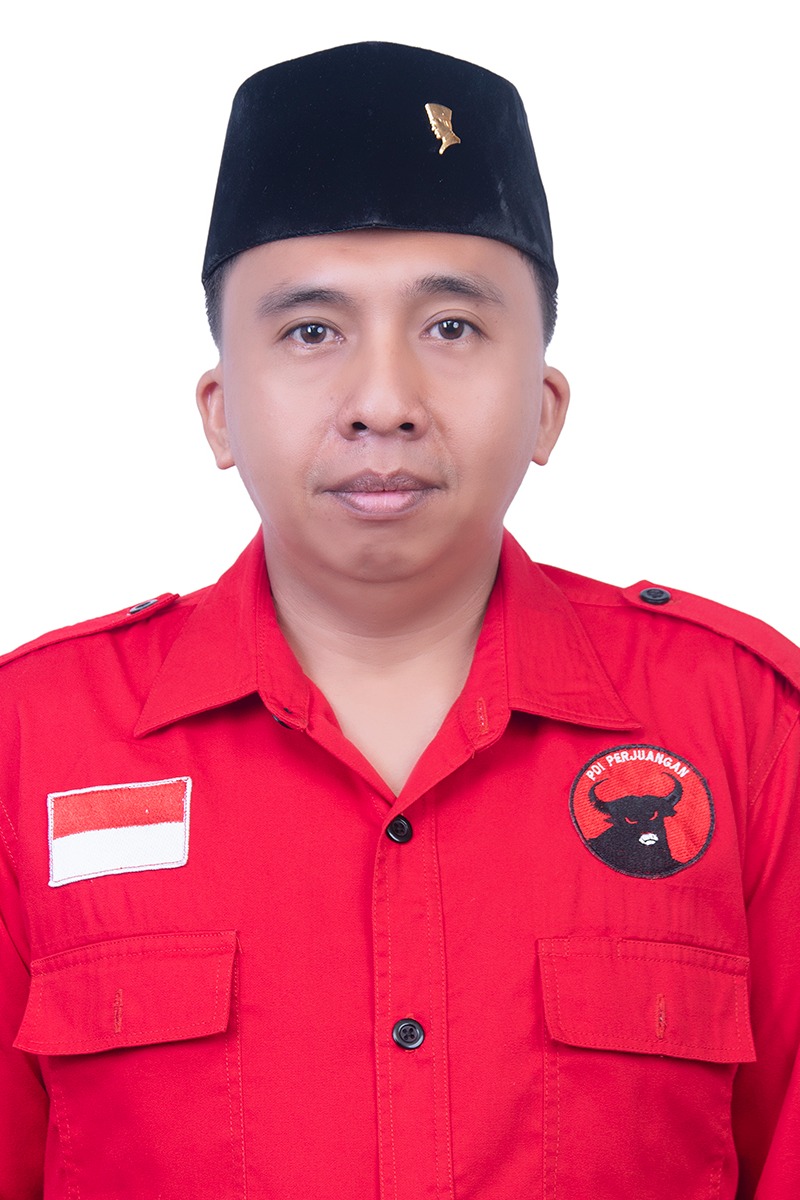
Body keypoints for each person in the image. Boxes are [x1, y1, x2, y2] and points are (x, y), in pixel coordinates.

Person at [1, 41, 798, 1199]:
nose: (382, 403)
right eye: (310, 331)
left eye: (451, 327)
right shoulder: (33, 740)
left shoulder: (741, 726)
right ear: (219, 412)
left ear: (544, 404)